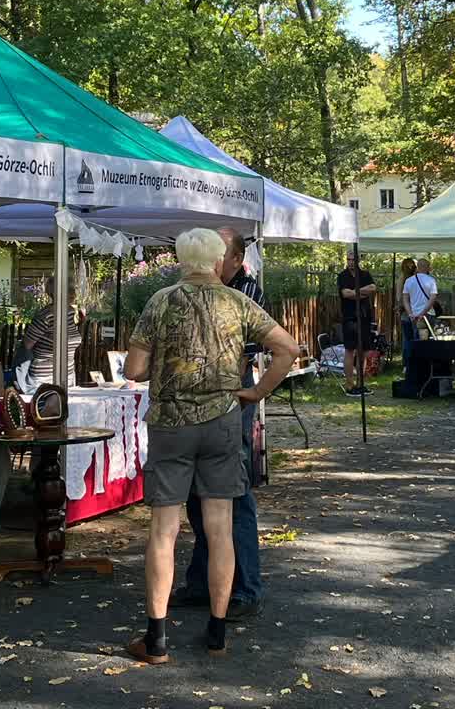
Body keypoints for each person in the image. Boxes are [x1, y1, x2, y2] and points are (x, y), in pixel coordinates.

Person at [123, 228, 298, 663]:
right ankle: (217, 633)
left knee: (164, 530)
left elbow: (136, 368)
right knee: (221, 528)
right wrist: (256, 393)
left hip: (171, 425)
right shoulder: (240, 302)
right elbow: (288, 348)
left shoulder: (160, 301)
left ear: (182, 260)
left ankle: (157, 639)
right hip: (222, 423)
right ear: (220, 261)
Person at [175, 229, 269, 620]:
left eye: (218, 252)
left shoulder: (247, 292)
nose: (210, 259)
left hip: (229, 398)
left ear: (233, 259)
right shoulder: (193, 290)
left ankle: (245, 587)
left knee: (233, 492)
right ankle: (203, 581)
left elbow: (251, 354)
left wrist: (250, 393)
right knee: (200, 495)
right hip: (196, 400)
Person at [22, 275, 82, 385]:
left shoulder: (70, 312)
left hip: (67, 375)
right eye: (71, 290)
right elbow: (27, 344)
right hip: (44, 377)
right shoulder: (46, 315)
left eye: (74, 289)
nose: (74, 293)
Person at [338, 250, 377, 395]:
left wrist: (355, 292)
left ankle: (361, 384)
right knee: (350, 350)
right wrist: (361, 293)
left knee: (363, 351)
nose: (350, 262)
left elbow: (373, 288)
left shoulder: (365, 274)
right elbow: (345, 293)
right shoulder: (343, 276)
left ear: (358, 260)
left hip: (364, 316)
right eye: (348, 259)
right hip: (349, 318)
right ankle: (349, 385)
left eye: (353, 259)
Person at [397, 257, 419, 365]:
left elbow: (398, 297)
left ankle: (407, 363)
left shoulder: (402, 278)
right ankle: (411, 363)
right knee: (414, 338)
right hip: (412, 312)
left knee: (407, 339)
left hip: (406, 313)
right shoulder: (412, 279)